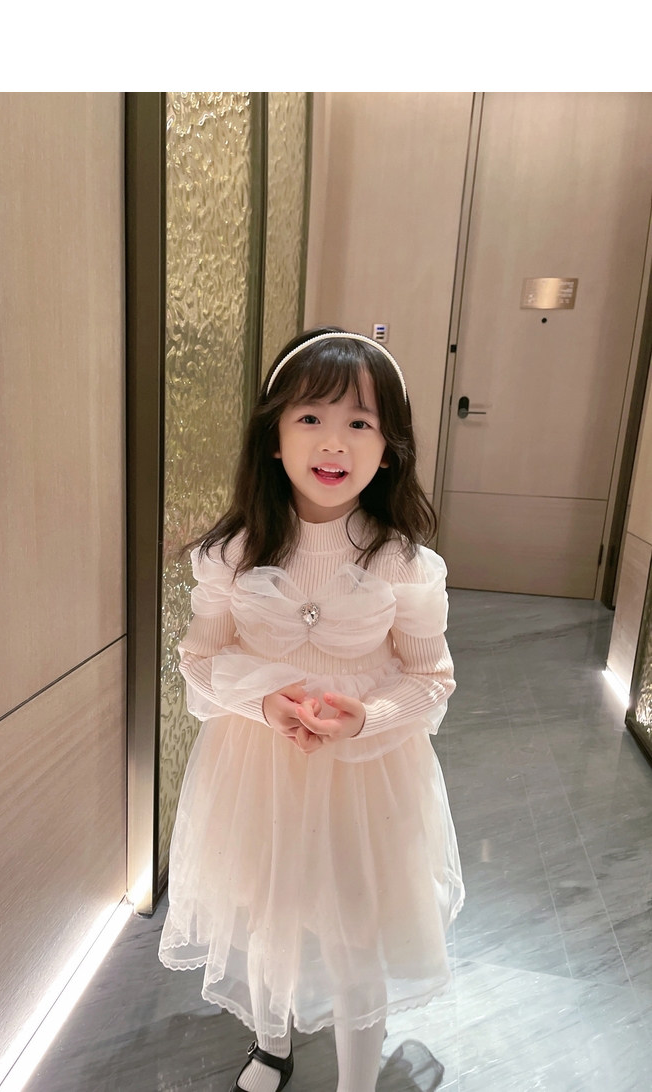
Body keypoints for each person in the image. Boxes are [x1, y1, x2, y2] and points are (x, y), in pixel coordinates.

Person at [158, 327, 464, 1092]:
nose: (334, 442)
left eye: (360, 422)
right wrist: (264, 701)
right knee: (268, 912)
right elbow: (201, 659)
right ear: (273, 437)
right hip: (256, 770)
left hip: (368, 777)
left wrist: (364, 717)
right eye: (310, 418)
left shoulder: (404, 562)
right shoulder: (231, 553)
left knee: (358, 929)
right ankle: (271, 1047)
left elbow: (431, 677)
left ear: (388, 449)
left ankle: (356, 1083)